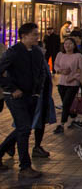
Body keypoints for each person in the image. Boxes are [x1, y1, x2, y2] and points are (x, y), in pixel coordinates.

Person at [0, 23, 47, 177]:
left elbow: (41, 72)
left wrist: (37, 92)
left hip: (31, 96)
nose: (37, 36)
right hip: (14, 96)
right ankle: (25, 167)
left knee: (23, 128)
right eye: (34, 34)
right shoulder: (13, 52)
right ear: (24, 36)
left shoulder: (37, 52)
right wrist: (12, 88)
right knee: (24, 128)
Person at [53, 38, 82, 134]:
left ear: (74, 45)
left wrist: (74, 77)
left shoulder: (78, 56)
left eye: (70, 44)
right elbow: (56, 66)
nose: (67, 46)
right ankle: (74, 118)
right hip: (62, 82)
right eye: (66, 44)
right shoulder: (60, 55)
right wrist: (60, 71)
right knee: (66, 102)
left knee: (66, 103)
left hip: (73, 84)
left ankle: (61, 124)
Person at [31, 57, 57, 159]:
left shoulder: (42, 61)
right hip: (34, 98)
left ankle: (37, 146)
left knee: (40, 123)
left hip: (44, 98)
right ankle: (7, 146)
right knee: (25, 126)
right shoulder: (29, 59)